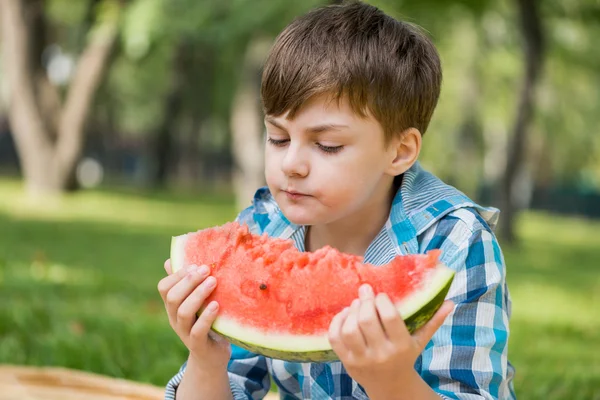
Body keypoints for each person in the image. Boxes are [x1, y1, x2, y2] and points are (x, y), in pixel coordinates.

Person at [158, 1, 516, 399]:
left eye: (327, 145)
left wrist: (392, 381)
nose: (291, 163)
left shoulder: (456, 243)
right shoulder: (263, 226)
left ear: (399, 152)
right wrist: (205, 360)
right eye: (277, 137)